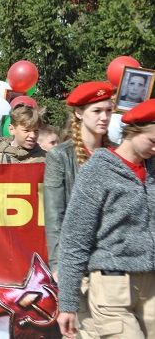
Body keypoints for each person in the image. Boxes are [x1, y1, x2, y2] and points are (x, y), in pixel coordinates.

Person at [57, 99, 155, 338]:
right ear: (132, 132)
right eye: (152, 141)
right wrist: (67, 303)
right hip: (112, 285)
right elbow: (75, 239)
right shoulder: (98, 170)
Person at [44, 81, 114, 274]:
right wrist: (58, 265)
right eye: (97, 111)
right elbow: (54, 215)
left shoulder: (116, 152)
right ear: (79, 113)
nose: (104, 117)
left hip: (114, 257)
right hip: (78, 257)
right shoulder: (60, 156)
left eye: (109, 110)